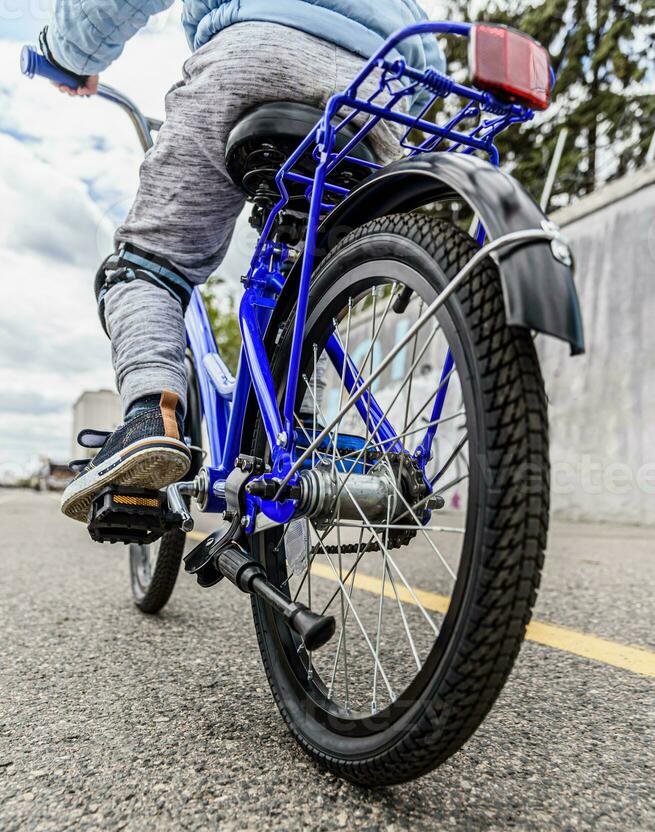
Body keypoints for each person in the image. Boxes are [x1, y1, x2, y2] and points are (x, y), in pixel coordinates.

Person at [41, 0, 444, 522]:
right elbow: (427, 52)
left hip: (254, 57)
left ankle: (151, 418)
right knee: (311, 286)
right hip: (374, 99)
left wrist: (69, 54)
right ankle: (299, 425)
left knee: (149, 264)